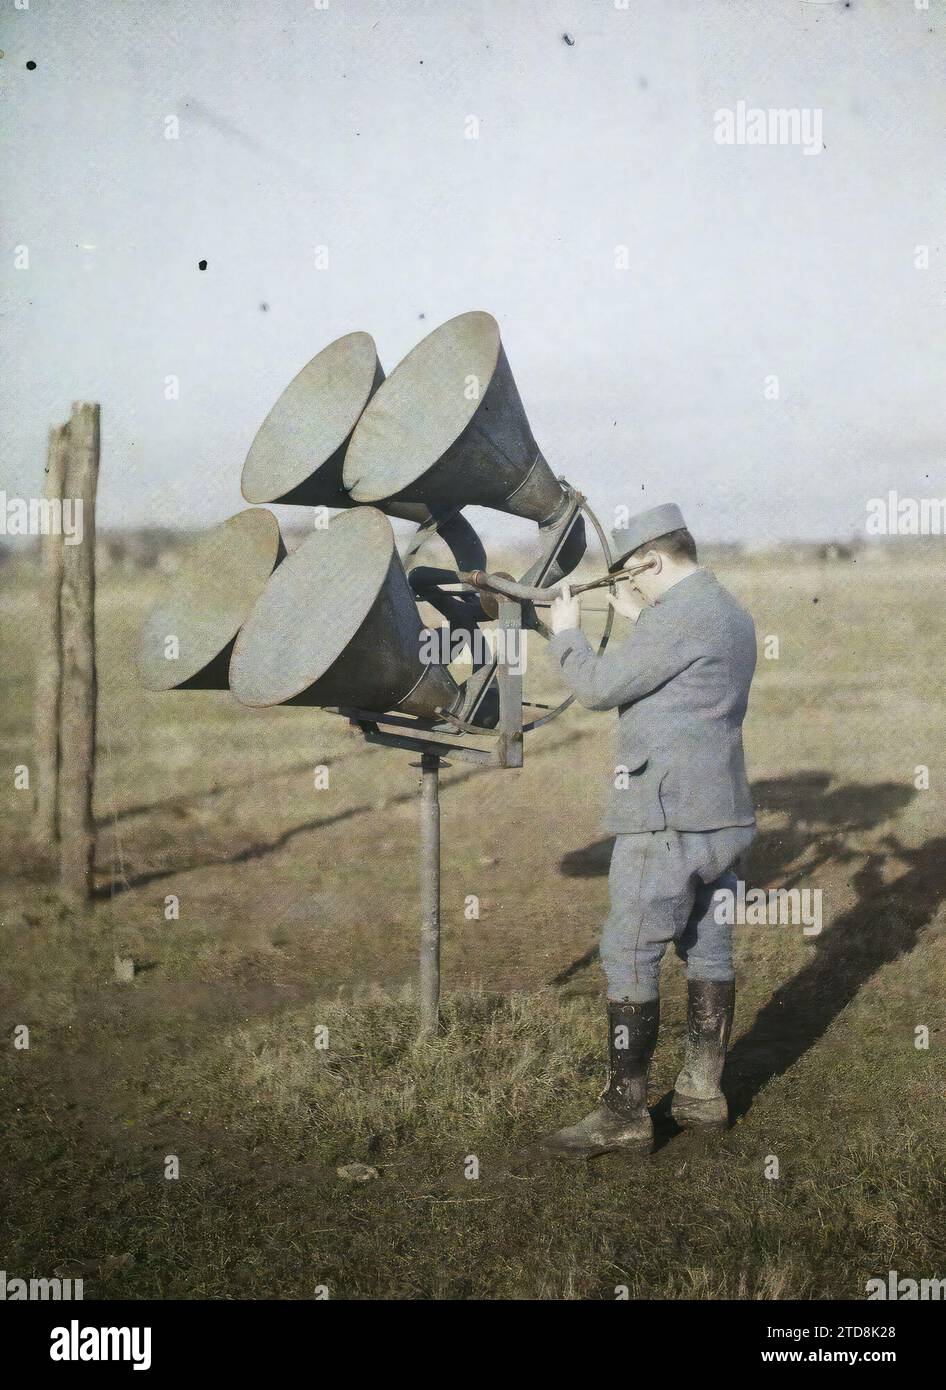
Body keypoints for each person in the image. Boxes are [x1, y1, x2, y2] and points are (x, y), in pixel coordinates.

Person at [539, 503, 757, 1157]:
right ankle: (700, 1092)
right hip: (722, 814)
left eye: (631, 579)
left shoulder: (682, 618)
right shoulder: (725, 611)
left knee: (631, 952)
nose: (629, 592)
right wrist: (647, 617)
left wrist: (566, 632)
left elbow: (601, 686)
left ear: (653, 560)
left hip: (663, 815)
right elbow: (686, 682)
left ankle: (625, 1114)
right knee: (709, 951)